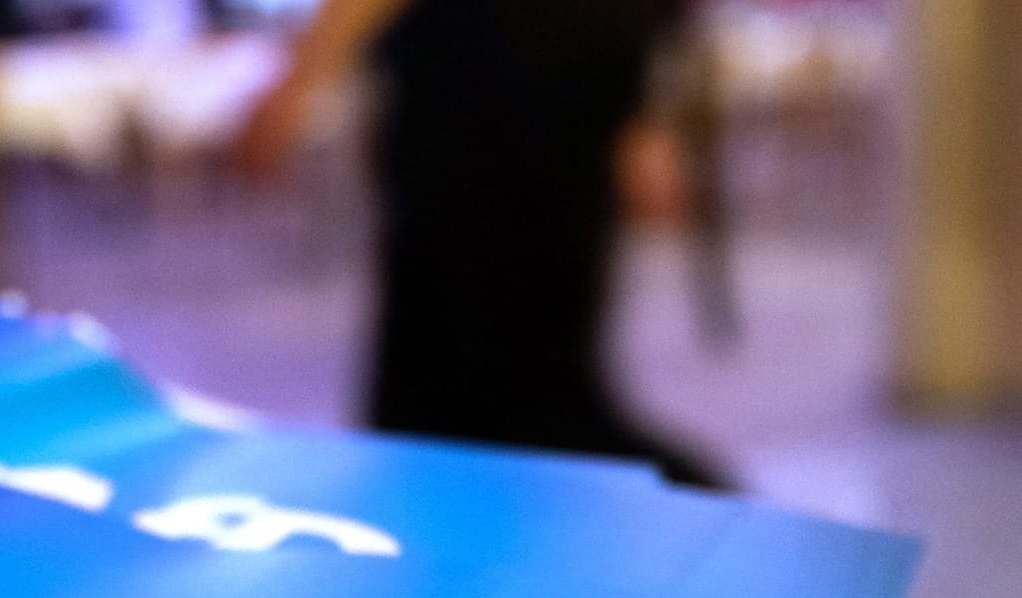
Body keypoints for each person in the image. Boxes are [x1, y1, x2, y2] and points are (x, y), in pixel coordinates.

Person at [234, 0, 722, 485]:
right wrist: (306, 75)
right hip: (503, 85)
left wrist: (640, 116)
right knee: (471, 365)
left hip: (550, 97)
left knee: (513, 370)